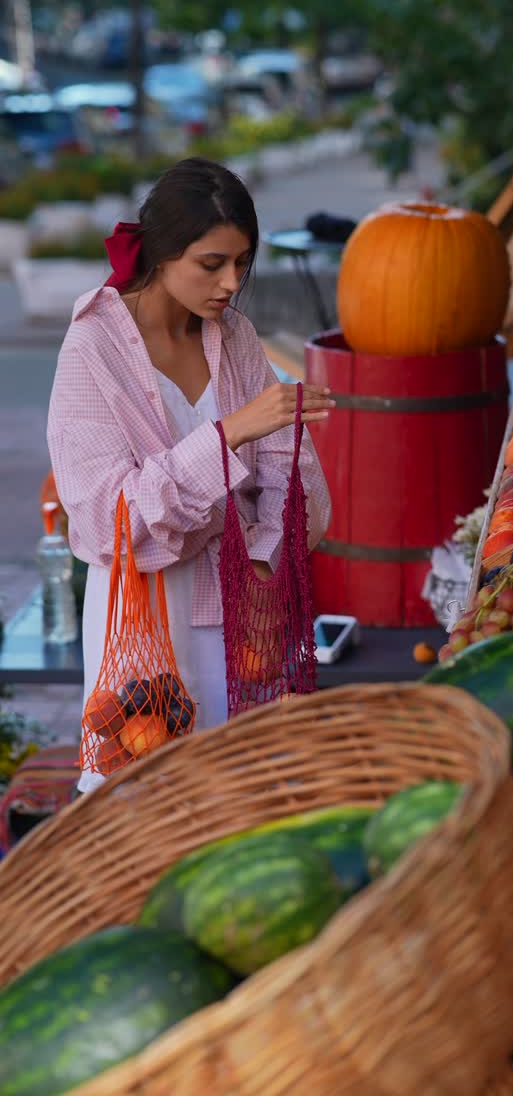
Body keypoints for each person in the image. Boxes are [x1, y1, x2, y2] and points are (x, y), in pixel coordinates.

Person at [47, 157, 333, 794]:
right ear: (163, 252)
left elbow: (290, 466)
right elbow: (106, 519)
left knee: (241, 800)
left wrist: (263, 553)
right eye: (212, 264)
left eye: (242, 264)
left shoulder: (234, 337)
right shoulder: (92, 349)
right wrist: (229, 434)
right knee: (147, 804)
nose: (231, 283)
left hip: (242, 609)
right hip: (145, 618)